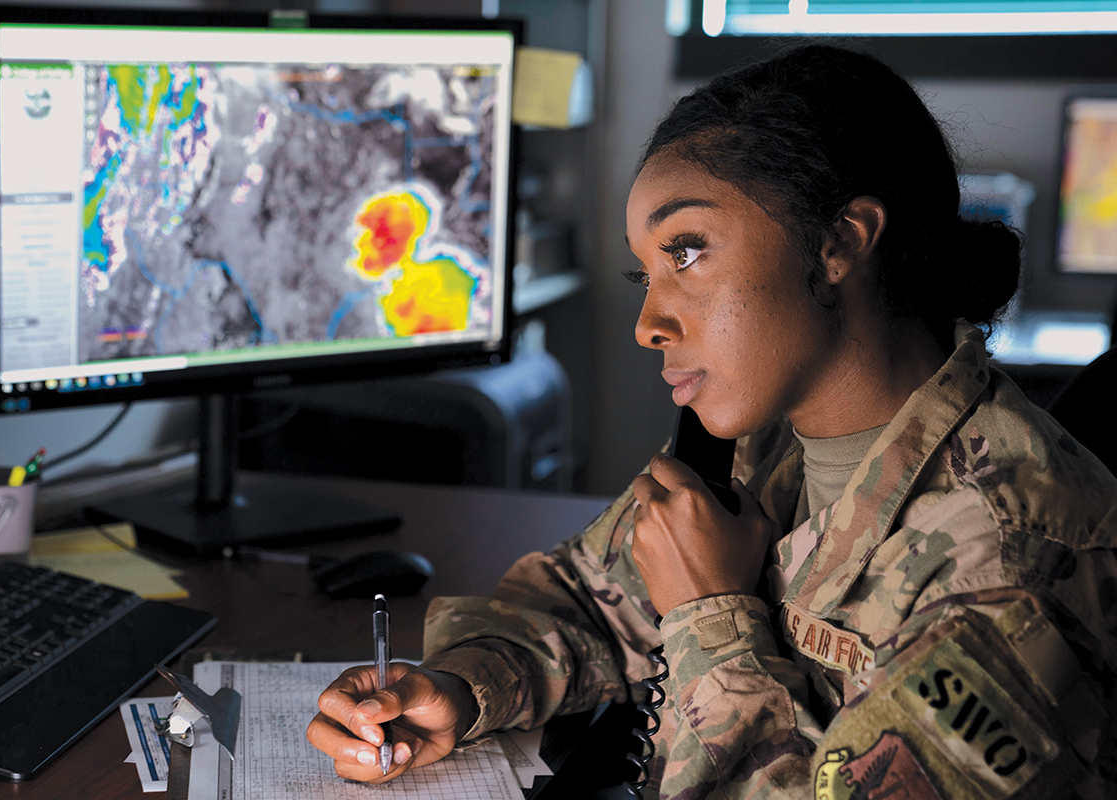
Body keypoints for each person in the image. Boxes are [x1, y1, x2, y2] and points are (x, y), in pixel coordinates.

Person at [306, 44, 1117, 797]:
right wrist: (457, 687)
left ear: (840, 243)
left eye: (686, 250)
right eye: (646, 272)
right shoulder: (760, 445)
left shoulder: (1010, 563)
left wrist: (710, 613)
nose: (647, 323)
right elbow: (587, 598)